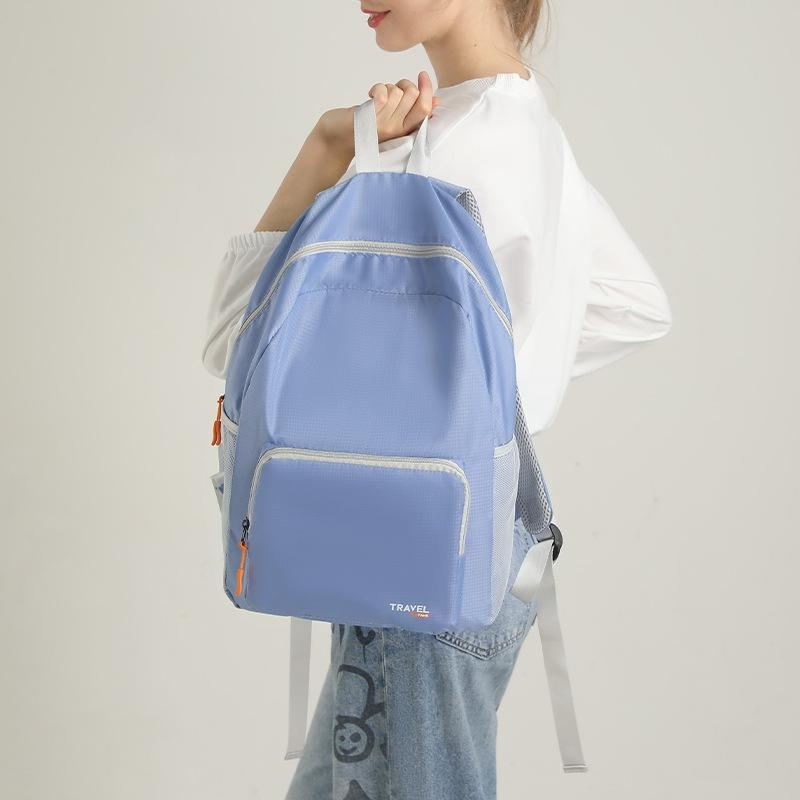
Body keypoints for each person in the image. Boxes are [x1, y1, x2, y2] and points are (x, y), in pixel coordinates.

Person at [201, 2, 672, 798]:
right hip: (488, 545)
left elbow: (230, 341)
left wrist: (326, 148)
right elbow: (636, 305)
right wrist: (492, 396)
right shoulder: (534, 132)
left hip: (412, 569)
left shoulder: (437, 150)